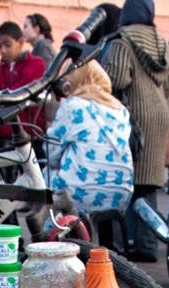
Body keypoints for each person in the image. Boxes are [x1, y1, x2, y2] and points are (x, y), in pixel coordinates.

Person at [102, 0, 169, 262]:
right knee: (149, 184)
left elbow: (115, 80)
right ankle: (149, 245)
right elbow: (168, 85)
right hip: (159, 114)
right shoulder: (161, 43)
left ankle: (132, 244)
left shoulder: (121, 41)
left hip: (133, 117)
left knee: (128, 184)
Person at [47, 62, 135, 228]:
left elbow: (51, 154)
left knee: (44, 176)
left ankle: (48, 237)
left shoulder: (73, 106)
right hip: (120, 193)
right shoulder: (120, 110)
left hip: (80, 194)